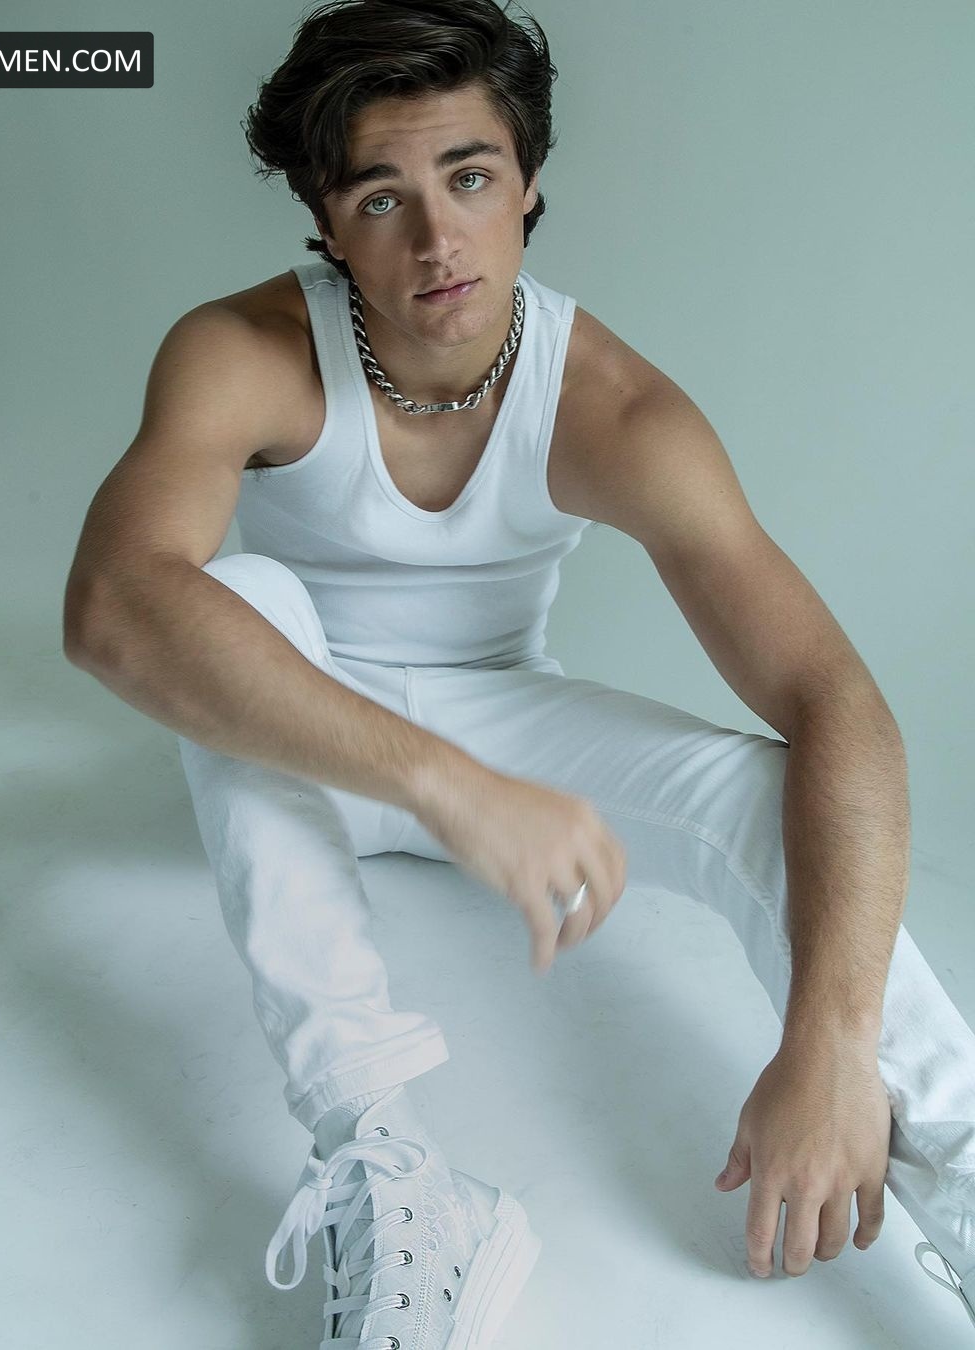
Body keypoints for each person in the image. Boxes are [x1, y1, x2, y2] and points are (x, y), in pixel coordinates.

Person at [62, 1, 975, 1344]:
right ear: (326, 219)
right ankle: (391, 1164)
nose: (438, 241)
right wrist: (447, 788)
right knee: (232, 600)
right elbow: (113, 608)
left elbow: (837, 702)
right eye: (382, 197)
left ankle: (958, 1158)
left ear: (528, 184)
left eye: (471, 177)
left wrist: (828, 1042)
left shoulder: (612, 406)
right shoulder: (241, 351)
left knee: (762, 789)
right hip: (303, 731)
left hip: (506, 716)